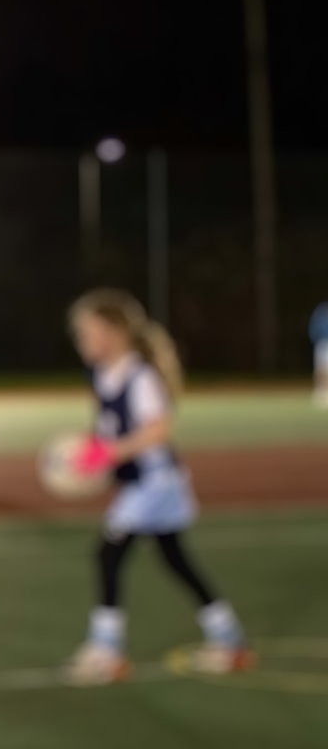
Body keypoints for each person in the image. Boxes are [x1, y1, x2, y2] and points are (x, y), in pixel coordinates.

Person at [62, 289, 252, 686]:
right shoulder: (101, 374)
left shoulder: (140, 376)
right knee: (175, 558)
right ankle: (228, 638)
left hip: (155, 484)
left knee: (108, 554)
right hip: (148, 483)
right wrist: (90, 456)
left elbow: (159, 430)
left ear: (113, 333)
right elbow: (110, 430)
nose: (82, 341)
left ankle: (106, 651)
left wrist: (111, 453)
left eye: (88, 332)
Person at [311, 300, 328, 408]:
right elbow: (313, 329)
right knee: (321, 369)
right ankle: (321, 391)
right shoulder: (321, 311)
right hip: (322, 342)